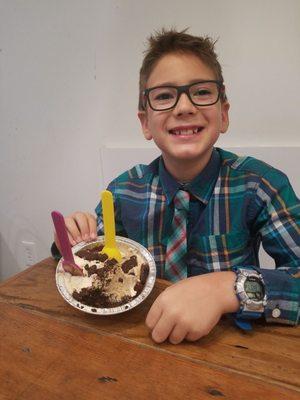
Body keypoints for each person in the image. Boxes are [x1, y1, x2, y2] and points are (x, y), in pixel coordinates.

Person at [52, 28, 300, 344]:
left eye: (201, 91)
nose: (183, 107)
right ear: (145, 123)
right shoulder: (123, 191)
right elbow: (92, 266)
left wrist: (228, 289)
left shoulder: (261, 185)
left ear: (223, 114)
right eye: (165, 96)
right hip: (139, 339)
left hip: (228, 348)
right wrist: (70, 244)